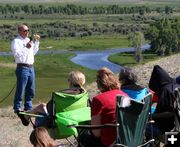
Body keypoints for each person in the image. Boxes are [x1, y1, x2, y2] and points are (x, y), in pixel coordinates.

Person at [78, 67, 128, 147]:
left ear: (99, 84)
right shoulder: (124, 95)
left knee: (83, 138)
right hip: (126, 140)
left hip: (110, 143)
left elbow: (96, 133)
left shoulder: (98, 100)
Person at [19, 70, 88, 127]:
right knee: (42, 106)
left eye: (68, 79)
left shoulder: (61, 94)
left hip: (58, 122)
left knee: (42, 106)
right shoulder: (84, 94)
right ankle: (26, 115)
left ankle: (26, 116)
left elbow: (50, 108)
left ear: (70, 81)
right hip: (76, 120)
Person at [11, 24, 40, 119]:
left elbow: (33, 52)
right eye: (25, 30)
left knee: (31, 89)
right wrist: (26, 48)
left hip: (31, 67)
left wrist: (36, 42)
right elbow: (17, 55)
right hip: (22, 67)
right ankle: (17, 107)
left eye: (28, 30)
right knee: (21, 88)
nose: (27, 32)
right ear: (19, 31)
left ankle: (28, 107)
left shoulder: (28, 40)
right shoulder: (16, 41)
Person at [148, 65, 180, 136]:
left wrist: (151, 116)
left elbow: (169, 112)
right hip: (177, 124)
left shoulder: (165, 90)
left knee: (143, 127)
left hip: (167, 128)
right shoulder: (176, 86)